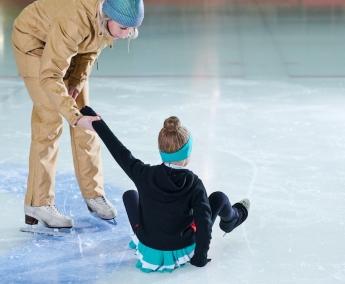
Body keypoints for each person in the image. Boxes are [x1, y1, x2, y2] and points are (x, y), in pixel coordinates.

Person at [11, 0, 144, 228]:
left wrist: (76, 81)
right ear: (107, 17)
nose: (126, 34)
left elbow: (92, 48)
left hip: (65, 44)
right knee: (49, 118)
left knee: (88, 119)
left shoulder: (111, 14)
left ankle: (93, 194)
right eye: (123, 28)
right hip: (34, 40)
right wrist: (72, 116)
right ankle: (37, 203)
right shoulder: (75, 21)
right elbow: (50, 75)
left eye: (132, 29)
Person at [80, 106, 250, 272]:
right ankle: (233, 218)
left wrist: (97, 122)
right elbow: (203, 223)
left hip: (148, 243)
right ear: (187, 153)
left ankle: (152, 235)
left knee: (130, 195)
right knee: (219, 198)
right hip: (182, 245)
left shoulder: (143, 174)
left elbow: (118, 149)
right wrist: (200, 257)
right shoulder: (194, 184)